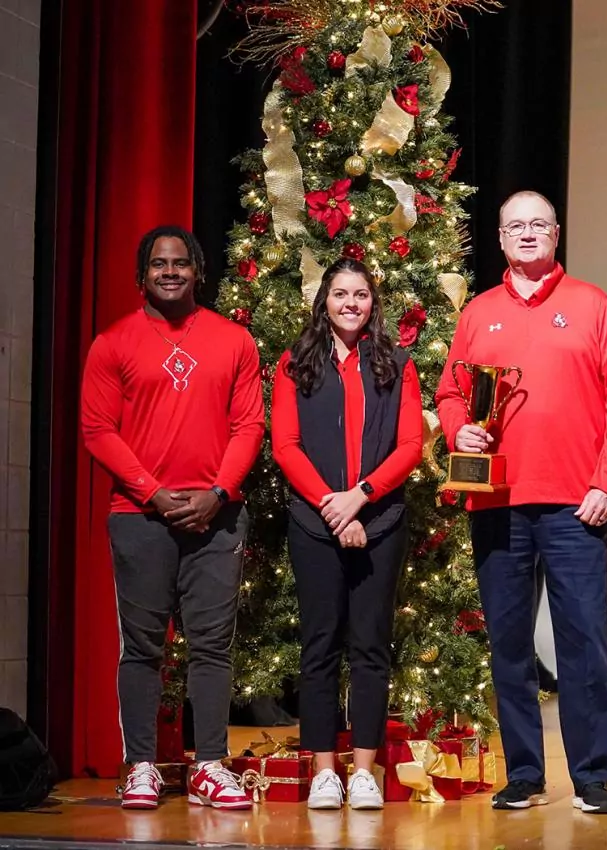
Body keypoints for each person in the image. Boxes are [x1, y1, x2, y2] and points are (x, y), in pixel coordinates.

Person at [435, 191, 607, 814]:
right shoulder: (478, 313)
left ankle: (592, 776)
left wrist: (606, 484)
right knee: (509, 645)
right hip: (498, 503)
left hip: (577, 506)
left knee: (585, 644)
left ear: (556, 233)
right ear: (500, 238)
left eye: (538, 225)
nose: (527, 234)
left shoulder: (592, 304)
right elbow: (450, 393)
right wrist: (459, 432)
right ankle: (523, 772)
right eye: (515, 226)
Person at [81, 225, 264, 810]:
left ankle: (209, 765)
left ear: (197, 272)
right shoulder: (112, 343)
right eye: (158, 264)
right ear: (143, 275)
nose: (169, 272)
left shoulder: (234, 340)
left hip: (217, 516)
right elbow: (97, 430)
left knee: (211, 646)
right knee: (142, 648)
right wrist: (154, 493)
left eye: (180, 263)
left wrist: (218, 492)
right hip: (140, 517)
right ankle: (141, 766)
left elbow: (249, 425)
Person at [271, 257, 423, 811]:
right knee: (319, 648)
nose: (351, 303)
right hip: (315, 523)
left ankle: (362, 771)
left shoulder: (397, 364)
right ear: (325, 302)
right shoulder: (295, 363)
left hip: (380, 521)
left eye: (360, 294)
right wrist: (333, 509)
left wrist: (360, 497)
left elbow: (410, 446)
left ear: (372, 302)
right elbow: (286, 445)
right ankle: (323, 773)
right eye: (340, 294)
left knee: (370, 648)